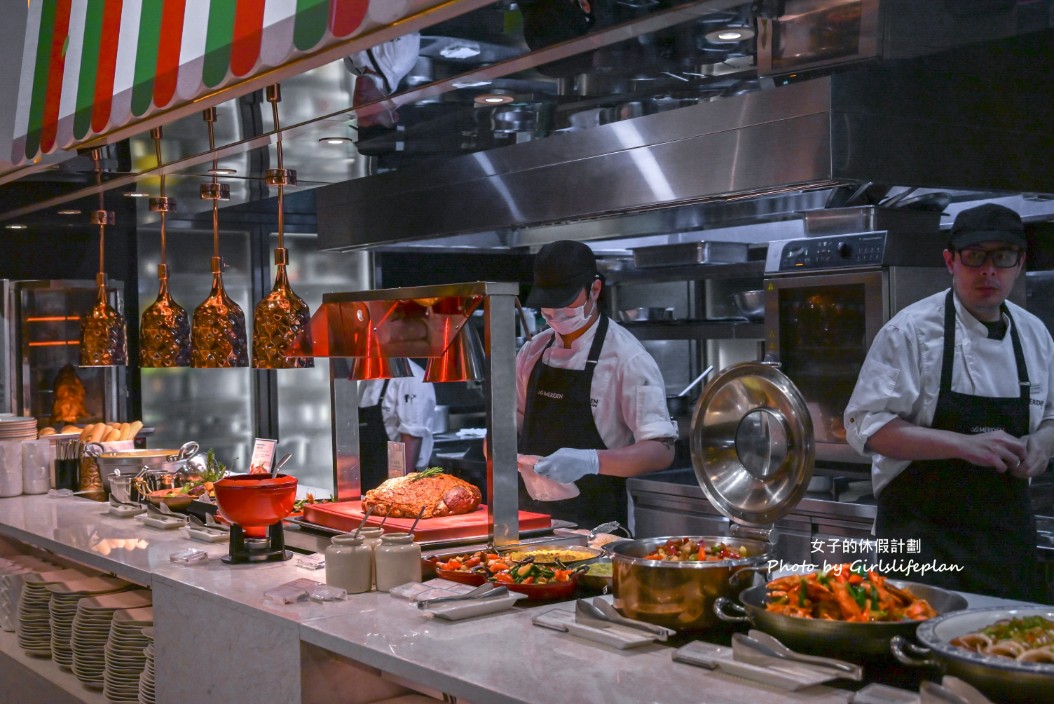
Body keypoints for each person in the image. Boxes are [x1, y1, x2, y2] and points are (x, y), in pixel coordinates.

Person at [844, 203, 1054, 602]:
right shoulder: (910, 332)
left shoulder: (1034, 334)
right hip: (922, 543)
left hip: (1006, 549)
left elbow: (1052, 417)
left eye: (1003, 257)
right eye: (975, 256)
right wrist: (965, 445)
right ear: (951, 262)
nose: (989, 270)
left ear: (1020, 263)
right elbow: (868, 426)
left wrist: (1042, 444)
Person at [517, 239, 677, 528]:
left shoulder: (627, 358)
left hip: (598, 529)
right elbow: (513, 419)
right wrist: (496, 447)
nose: (555, 315)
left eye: (566, 302)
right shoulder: (532, 351)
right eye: (548, 306)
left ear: (595, 290)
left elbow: (660, 451)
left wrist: (591, 461)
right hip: (531, 524)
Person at [358, 359, 437, 492]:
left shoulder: (411, 377)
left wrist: (399, 491)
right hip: (369, 478)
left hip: (397, 481)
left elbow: (411, 438)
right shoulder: (369, 376)